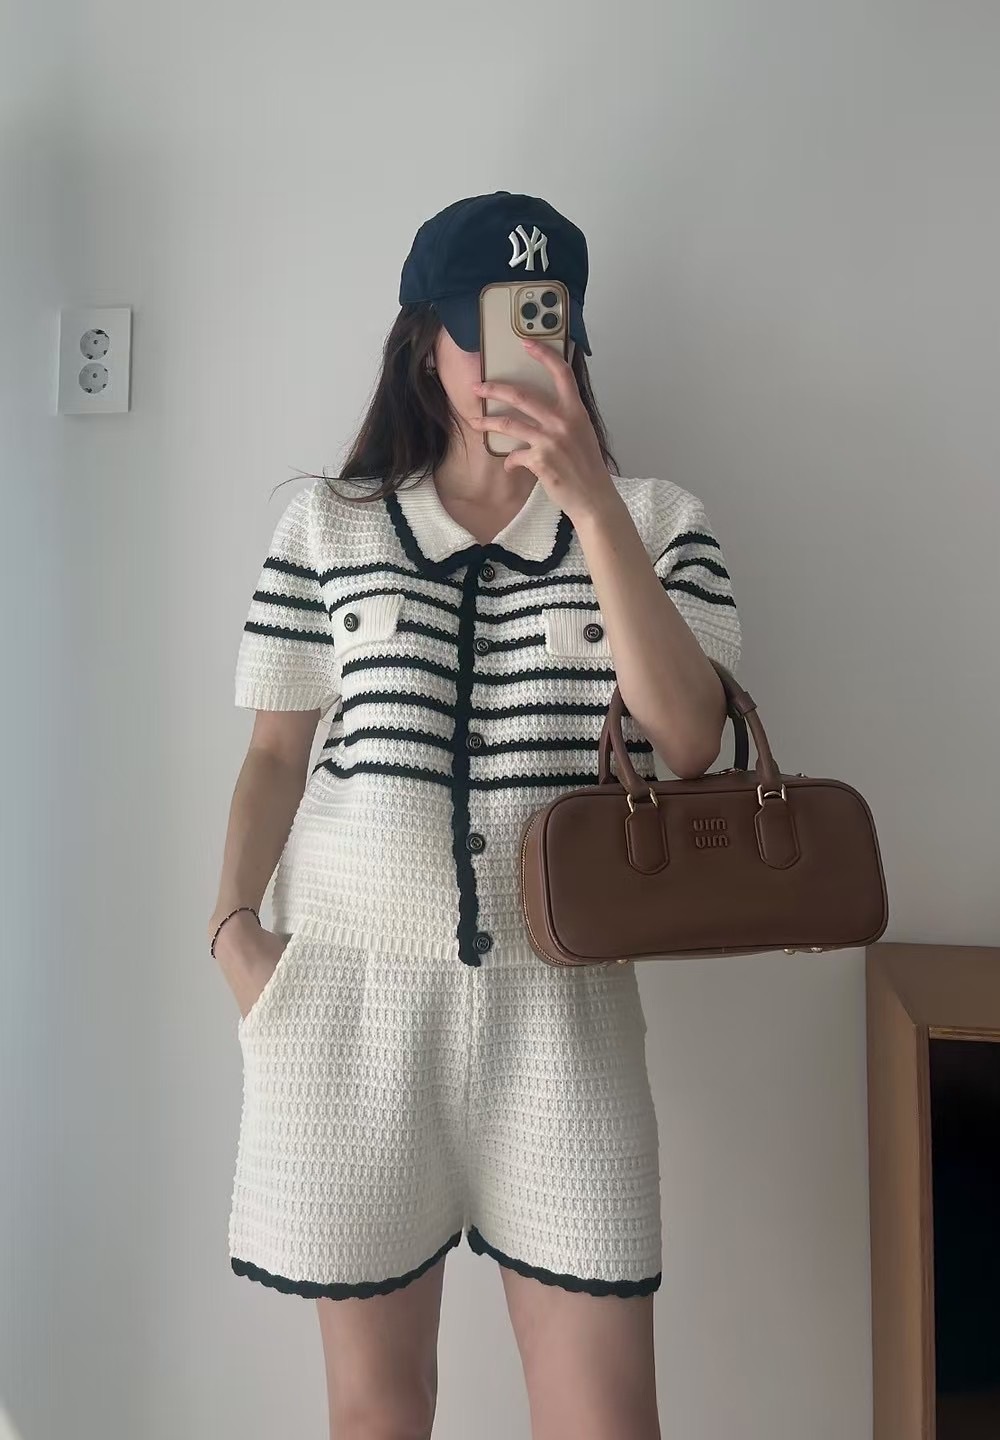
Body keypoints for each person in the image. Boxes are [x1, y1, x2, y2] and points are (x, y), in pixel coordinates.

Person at [208, 190, 741, 1440]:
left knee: (606, 1422)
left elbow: (691, 741)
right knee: (378, 1417)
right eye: (484, 328)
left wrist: (592, 503)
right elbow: (275, 755)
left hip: (565, 1022)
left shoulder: (659, 522)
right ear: (423, 345)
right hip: (345, 1013)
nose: (516, 359)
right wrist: (234, 934)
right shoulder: (327, 524)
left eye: (543, 325)